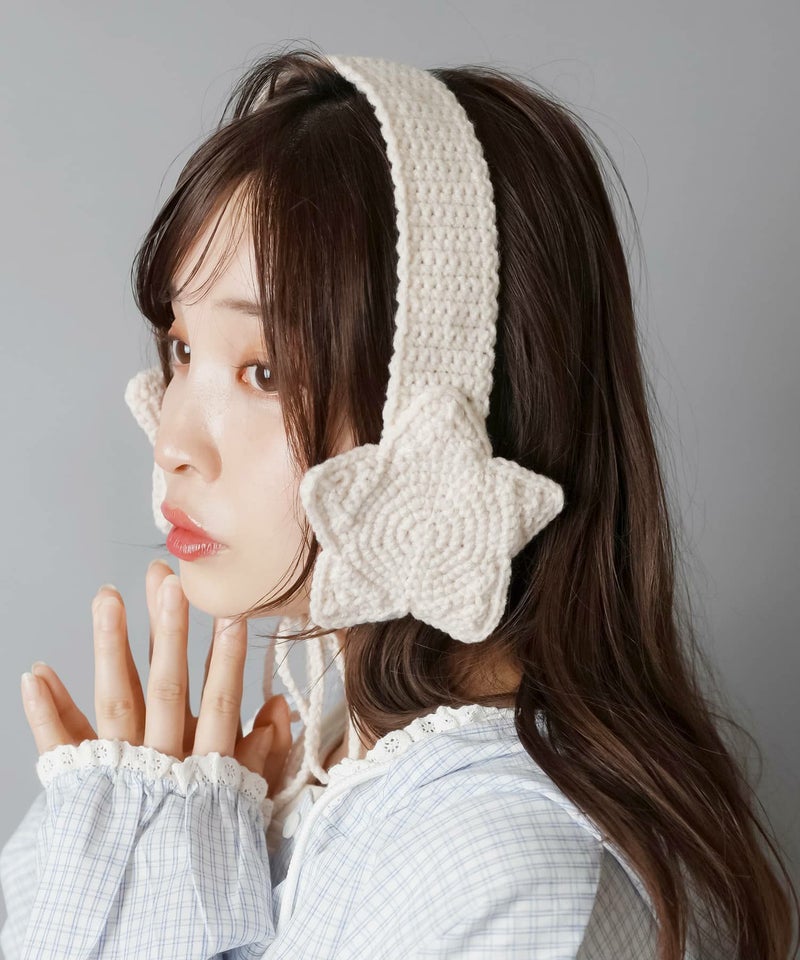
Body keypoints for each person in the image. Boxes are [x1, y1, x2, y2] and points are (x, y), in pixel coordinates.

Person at [0, 45, 797, 960]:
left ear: (450, 404)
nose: (173, 440)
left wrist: (140, 903)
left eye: (265, 371)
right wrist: (151, 845)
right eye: (182, 350)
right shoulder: (300, 775)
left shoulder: (509, 870)